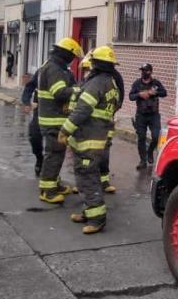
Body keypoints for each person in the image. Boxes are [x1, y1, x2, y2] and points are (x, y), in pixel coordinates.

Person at [58, 46, 121, 234]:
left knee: (88, 176)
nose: (90, 66)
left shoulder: (96, 83)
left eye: (92, 62)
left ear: (96, 64)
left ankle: (97, 218)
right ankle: (89, 211)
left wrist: (65, 130)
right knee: (84, 175)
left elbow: (83, 109)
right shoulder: (110, 83)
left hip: (89, 138)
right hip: (94, 136)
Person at [37, 37, 83, 204]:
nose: (73, 60)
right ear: (66, 54)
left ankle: (54, 184)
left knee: (57, 154)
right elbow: (60, 92)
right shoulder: (54, 69)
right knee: (54, 155)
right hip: (52, 120)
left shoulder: (56, 66)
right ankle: (47, 191)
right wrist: (78, 91)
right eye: (73, 56)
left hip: (54, 119)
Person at [76, 52, 124, 193]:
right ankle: (83, 182)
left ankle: (103, 181)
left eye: (88, 69)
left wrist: (110, 111)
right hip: (90, 125)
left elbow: (119, 97)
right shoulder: (89, 80)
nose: (86, 73)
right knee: (86, 155)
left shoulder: (112, 78)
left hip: (103, 123)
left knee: (103, 151)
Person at [129, 63, 167, 170]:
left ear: (150, 72)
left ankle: (150, 152)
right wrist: (139, 94)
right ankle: (142, 161)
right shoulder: (137, 83)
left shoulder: (156, 83)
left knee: (156, 137)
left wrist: (153, 93)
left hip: (154, 115)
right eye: (142, 71)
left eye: (145, 71)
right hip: (141, 115)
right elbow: (131, 96)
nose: (143, 73)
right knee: (141, 138)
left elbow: (164, 93)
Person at [21, 67, 43, 176]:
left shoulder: (66, 73)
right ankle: (39, 158)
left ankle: (52, 171)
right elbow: (29, 87)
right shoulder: (42, 71)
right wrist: (26, 102)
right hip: (40, 111)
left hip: (57, 113)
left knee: (55, 146)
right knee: (34, 136)